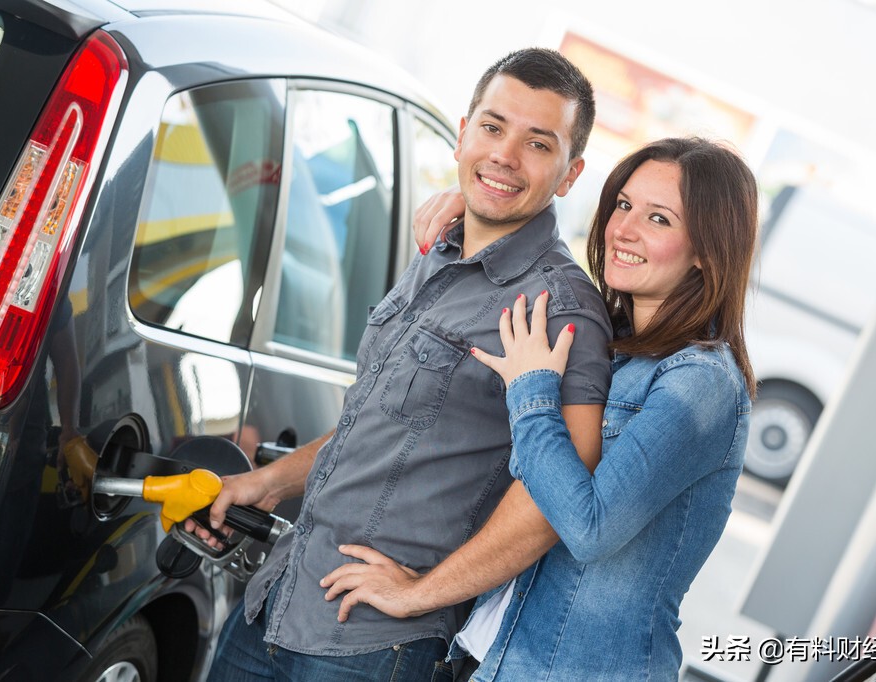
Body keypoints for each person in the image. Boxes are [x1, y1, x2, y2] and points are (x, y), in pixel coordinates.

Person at [193, 48, 614, 681]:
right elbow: (382, 424)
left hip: (374, 650)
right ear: (464, 131)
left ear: (570, 173)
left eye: (538, 143)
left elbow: (558, 495)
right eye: (493, 127)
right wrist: (265, 482)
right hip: (275, 604)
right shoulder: (437, 253)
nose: (503, 154)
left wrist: (420, 595)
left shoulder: (559, 306)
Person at [321, 137, 759, 680]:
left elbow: (589, 527)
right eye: (623, 205)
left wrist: (532, 393)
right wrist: (474, 213)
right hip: (485, 659)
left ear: (707, 250)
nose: (624, 229)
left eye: (659, 219)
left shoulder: (701, 383)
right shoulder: (610, 342)